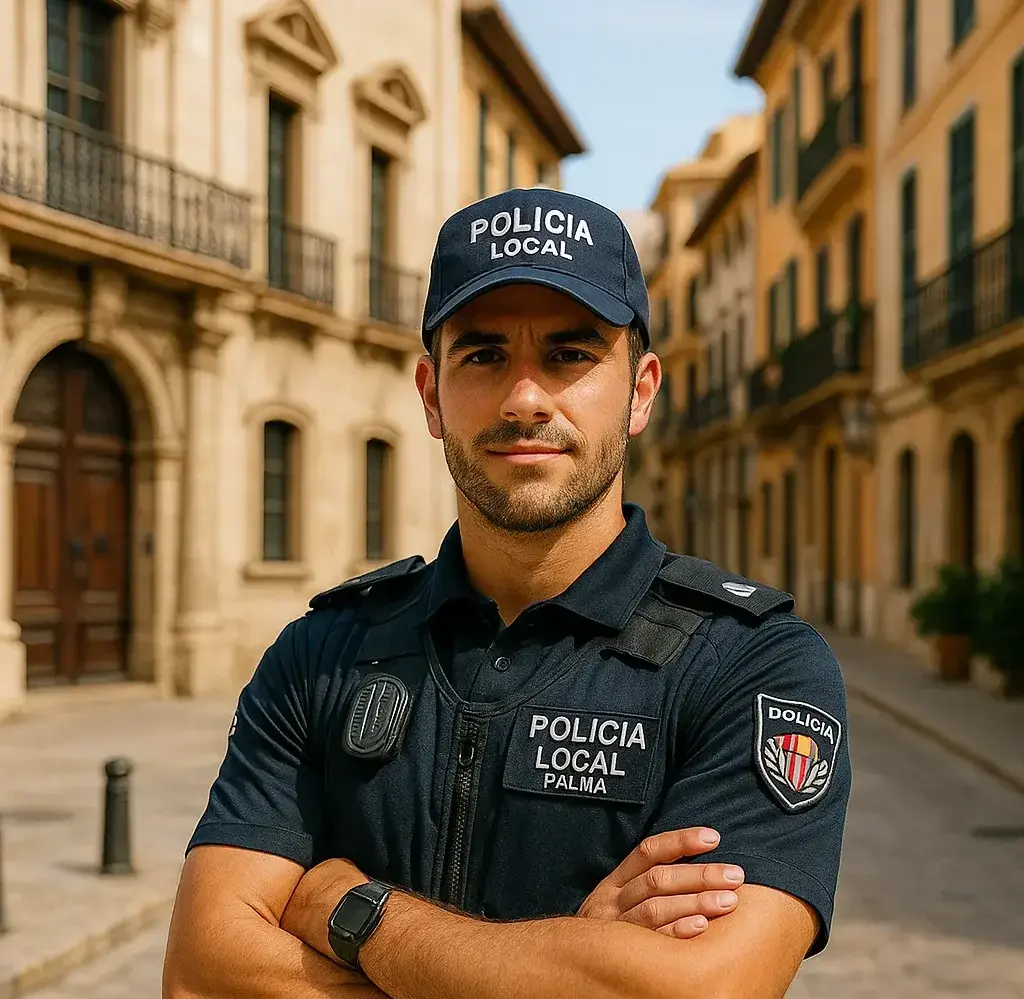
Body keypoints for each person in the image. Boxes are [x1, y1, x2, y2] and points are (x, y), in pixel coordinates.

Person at [163, 188, 851, 999]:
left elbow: (701, 989)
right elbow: (205, 973)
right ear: (430, 394)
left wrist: (350, 908)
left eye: (570, 354)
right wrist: (563, 967)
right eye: (484, 355)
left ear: (640, 390)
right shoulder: (322, 655)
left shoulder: (753, 664)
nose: (525, 397)